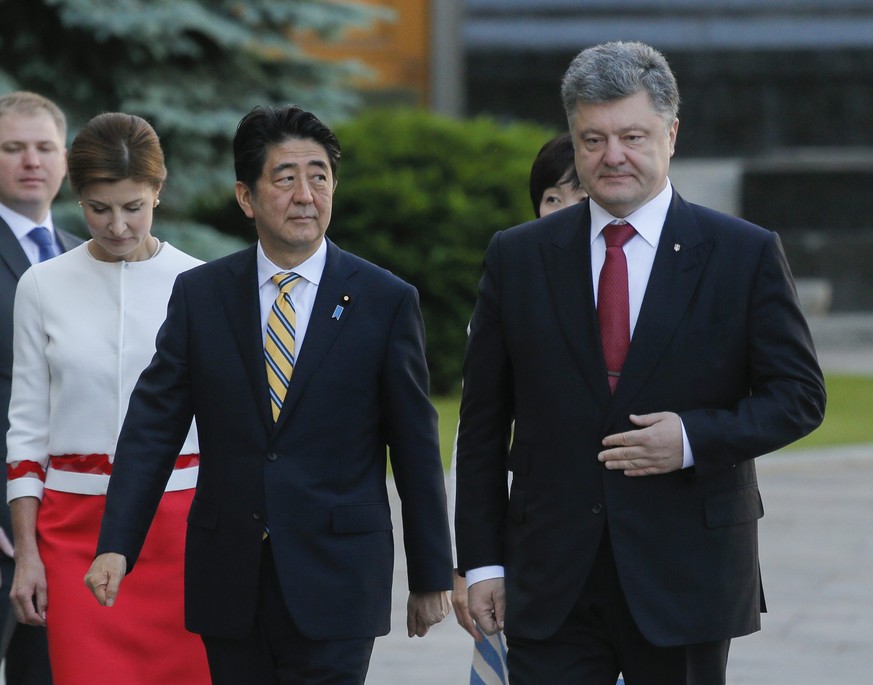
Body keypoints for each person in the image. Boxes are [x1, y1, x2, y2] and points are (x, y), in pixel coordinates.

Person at [454, 41, 826, 685]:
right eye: (591, 140)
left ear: (671, 133)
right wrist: (482, 563)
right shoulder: (518, 257)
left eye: (632, 135)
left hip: (687, 573)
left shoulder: (742, 254)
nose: (612, 156)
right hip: (551, 579)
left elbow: (798, 396)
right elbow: (483, 422)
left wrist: (690, 438)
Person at [84, 104, 453, 685]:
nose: (306, 194)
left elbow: (414, 444)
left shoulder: (384, 301)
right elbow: (154, 424)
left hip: (337, 578)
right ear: (246, 197)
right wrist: (117, 544)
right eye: (285, 178)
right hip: (230, 576)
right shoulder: (203, 295)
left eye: (319, 176)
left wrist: (432, 572)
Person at [6, 112, 211, 684]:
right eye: (100, 208)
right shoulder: (41, 285)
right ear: (78, 197)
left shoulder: (199, 282)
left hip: (181, 531)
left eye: (133, 207)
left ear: (158, 193)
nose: (117, 225)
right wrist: (27, 555)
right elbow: (26, 432)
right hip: (71, 532)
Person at [448, 133, 588, 685]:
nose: (563, 211)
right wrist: (470, 562)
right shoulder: (514, 281)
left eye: (579, 197)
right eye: (552, 197)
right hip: (534, 550)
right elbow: (477, 431)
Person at [0, 90, 81, 685]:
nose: (32, 160)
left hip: (69, 521)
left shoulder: (86, 254)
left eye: (44, 147)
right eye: (12, 147)